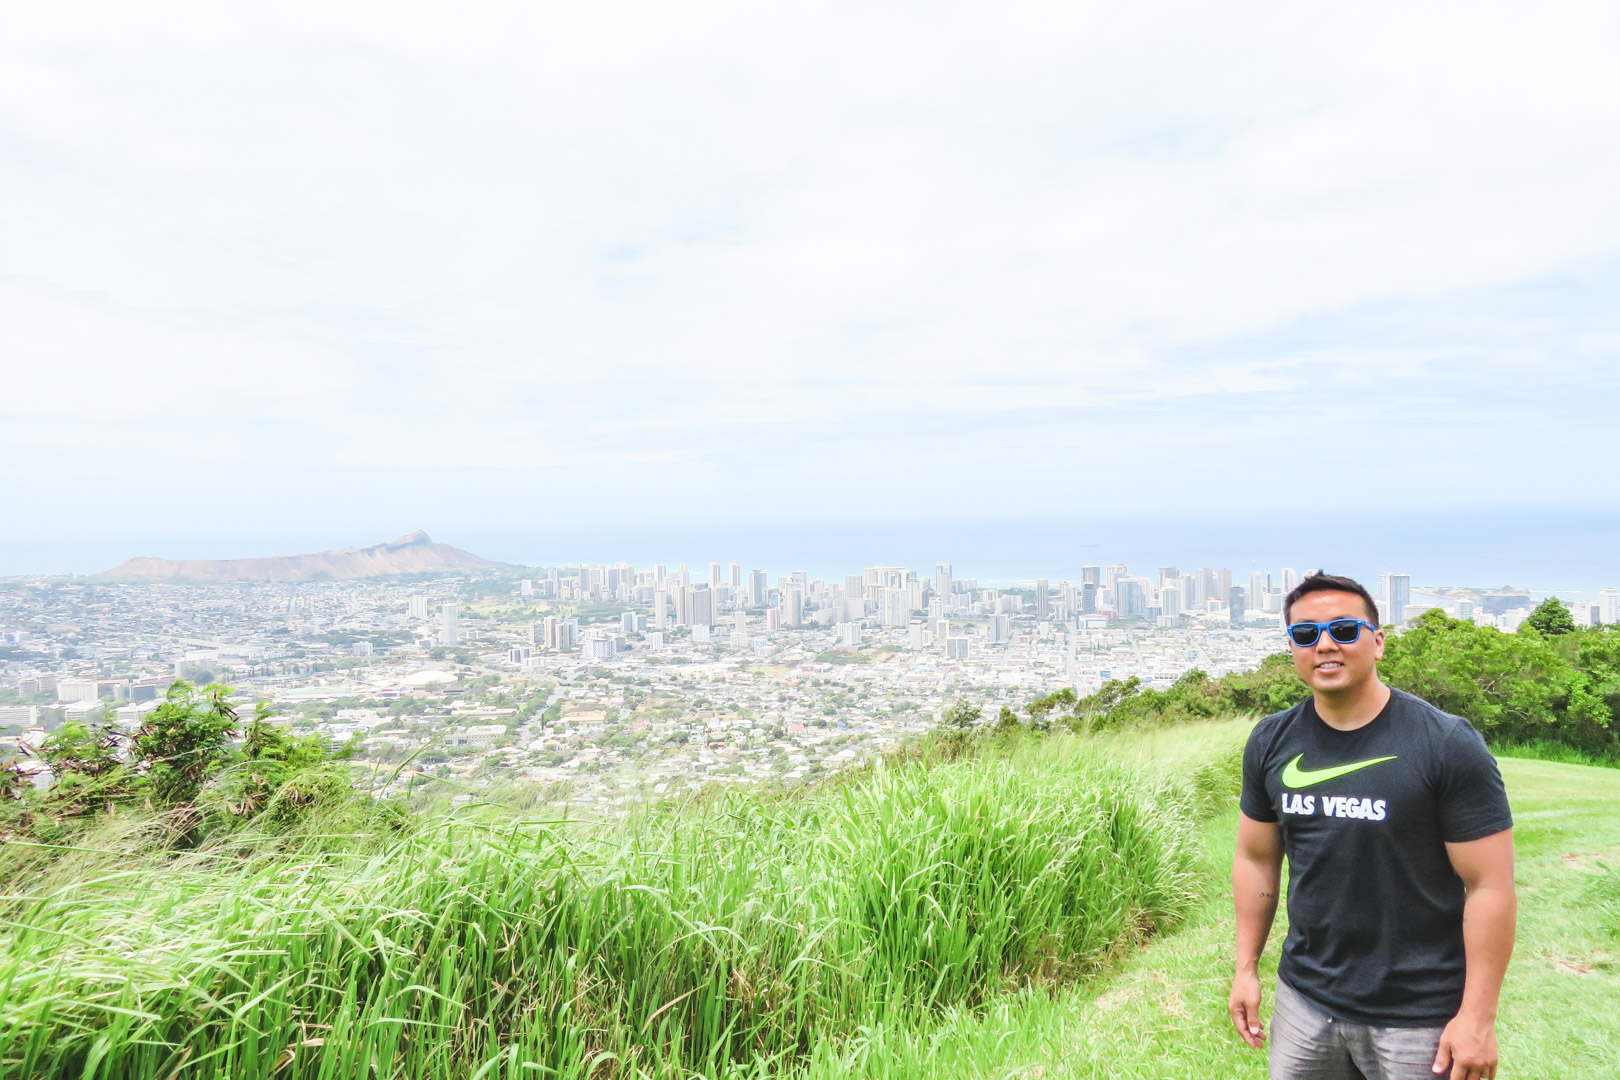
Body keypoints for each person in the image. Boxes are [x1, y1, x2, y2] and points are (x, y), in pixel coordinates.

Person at [1228, 573, 1516, 1080]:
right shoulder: (1271, 741)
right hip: (1305, 1000)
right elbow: (1256, 860)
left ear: (1377, 641)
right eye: (1305, 634)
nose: (1324, 645)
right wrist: (1246, 968)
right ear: (1292, 648)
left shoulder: (1446, 743)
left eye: (1343, 629)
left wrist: (1477, 1017)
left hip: (1419, 1014)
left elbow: (1489, 886)